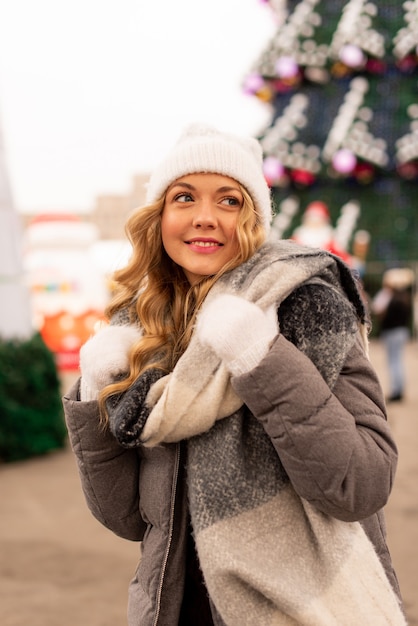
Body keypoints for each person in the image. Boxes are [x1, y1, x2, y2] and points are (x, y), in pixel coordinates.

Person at [64, 124, 406, 625]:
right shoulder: (142, 332)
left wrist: (260, 358)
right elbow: (129, 519)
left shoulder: (306, 307)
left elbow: (360, 485)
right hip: (174, 609)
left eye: (229, 201)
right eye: (185, 197)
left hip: (305, 610)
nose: (205, 218)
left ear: (253, 218)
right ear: (159, 215)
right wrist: (97, 390)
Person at [372, 268, 414, 402]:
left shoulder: (391, 297)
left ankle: (396, 390)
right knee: (398, 361)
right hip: (401, 331)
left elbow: (379, 311)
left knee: (393, 361)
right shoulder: (406, 297)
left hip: (392, 331)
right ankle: (399, 389)